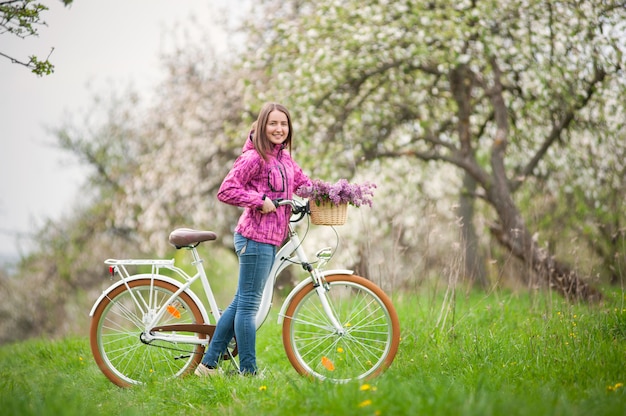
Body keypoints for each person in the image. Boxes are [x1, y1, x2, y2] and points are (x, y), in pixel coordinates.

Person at [196, 102, 312, 377]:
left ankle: (208, 365)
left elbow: (304, 183)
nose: (279, 129)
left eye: (283, 124)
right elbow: (226, 190)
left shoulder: (284, 158)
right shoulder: (254, 157)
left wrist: (333, 193)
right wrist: (259, 200)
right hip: (254, 237)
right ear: (262, 126)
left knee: (241, 302)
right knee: (248, 306)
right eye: (273, 123)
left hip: (270, 239)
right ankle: (248, 371)